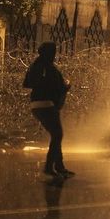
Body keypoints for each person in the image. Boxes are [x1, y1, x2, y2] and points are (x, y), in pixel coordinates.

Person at [23, 42, 75, 178]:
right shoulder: (49, 68)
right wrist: (67, 86)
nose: (55, 54)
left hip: (35, 105)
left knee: (56, 135)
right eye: (53, 52)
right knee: (57, 135)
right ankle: (50, 166)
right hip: (47, 104)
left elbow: (28, 83)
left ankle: (59, 166)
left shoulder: (35, 66)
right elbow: (58, 87)